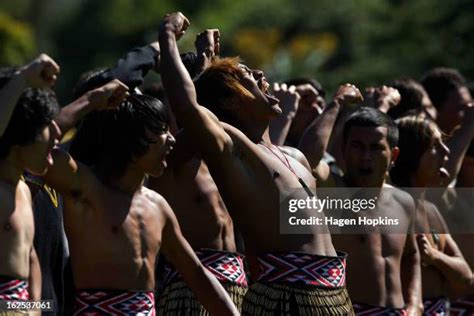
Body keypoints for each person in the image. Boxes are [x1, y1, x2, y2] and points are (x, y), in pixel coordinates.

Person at [159, 12, 357, 315]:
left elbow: (314, 152)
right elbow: (188, 107)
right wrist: (168, 37)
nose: (263, 76)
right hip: (286, 299)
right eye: (250, 76)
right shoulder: (233, 150)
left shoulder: (294, 156)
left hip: (335, 296)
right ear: (230, 101)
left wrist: (336, 104)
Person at [43, 91, 239, 315]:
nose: (172, 139)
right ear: (132, 136)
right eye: (162, 130)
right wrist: (92, 100)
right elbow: (41, 145)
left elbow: (196, 273)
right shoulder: (87, 189)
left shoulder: (158, 206)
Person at [147, 29, 248, 315]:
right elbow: (194, 116)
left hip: (237, 283)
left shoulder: (223, 153)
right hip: (191, 290)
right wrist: (180, 43)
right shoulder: (167, 156)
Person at [330, 107, 422, 315]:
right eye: (357, 146)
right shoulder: (333, 194)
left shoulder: (404, 201)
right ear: (342, 149)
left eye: (375, 147)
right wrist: (337, 104)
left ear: (393, 155)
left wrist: (415, 302)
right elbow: (313, 158)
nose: (365, 156)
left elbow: (411, 255)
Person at [391, 115, 472, 315]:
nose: (445, 152)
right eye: (435, 146)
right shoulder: (391, 209)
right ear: (412, 154)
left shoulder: (431, 210)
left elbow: (466, 277)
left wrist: (434, 257)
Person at [0, 55, 60, 314]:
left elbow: (30, 257)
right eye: (48, 125)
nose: (58, 133)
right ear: (18, 133)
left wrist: (34, 308)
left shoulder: (24, 190)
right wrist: (23, 77)